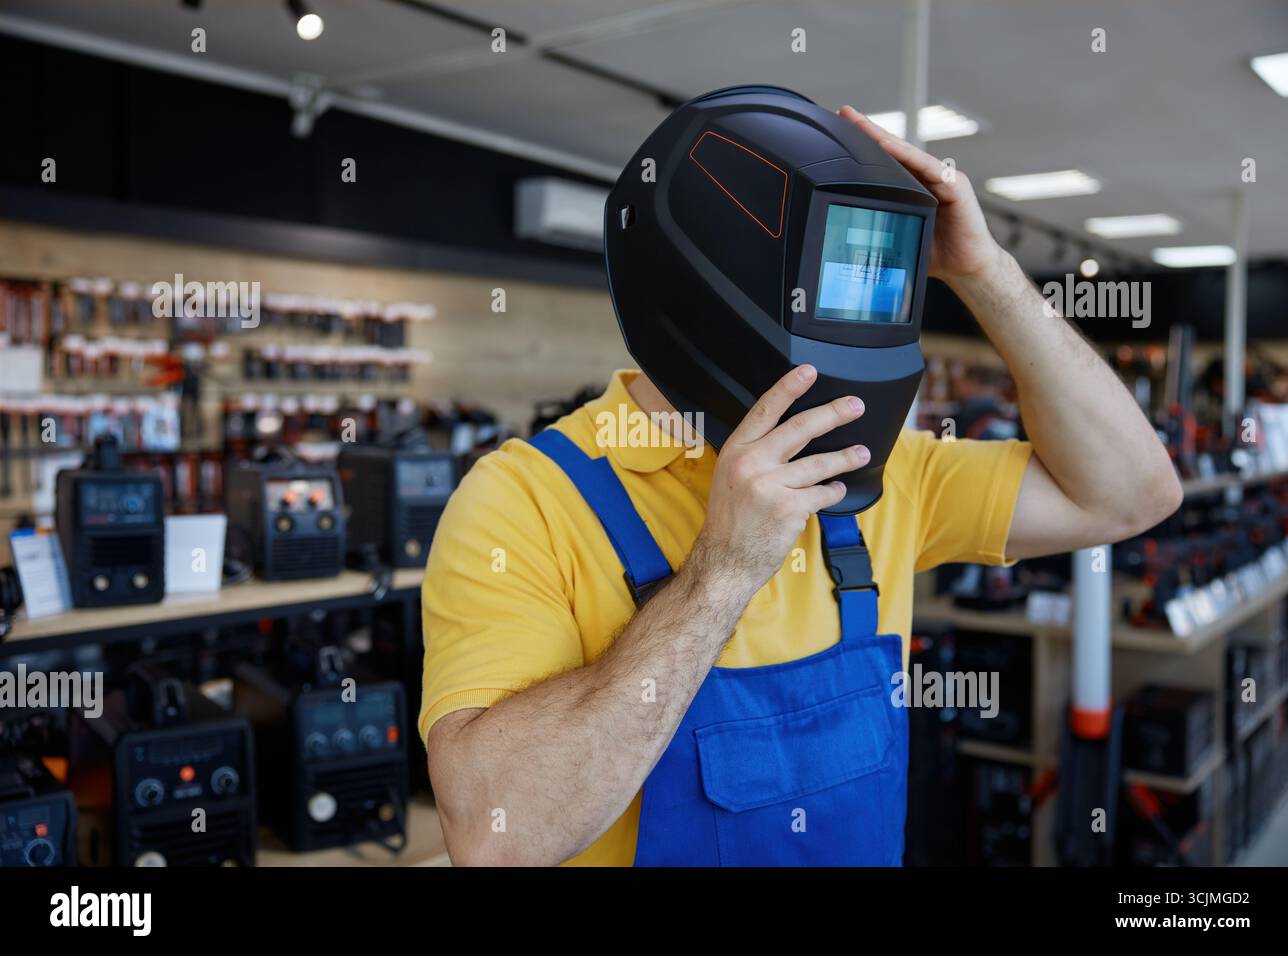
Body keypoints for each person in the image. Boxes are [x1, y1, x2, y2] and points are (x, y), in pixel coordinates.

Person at [419, 106, 1183, 866]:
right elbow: (496, 839)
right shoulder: (524, 501)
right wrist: (722, 571)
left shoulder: (881, 469)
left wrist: (989, 276)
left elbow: (1133, 494)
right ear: (716, 282)